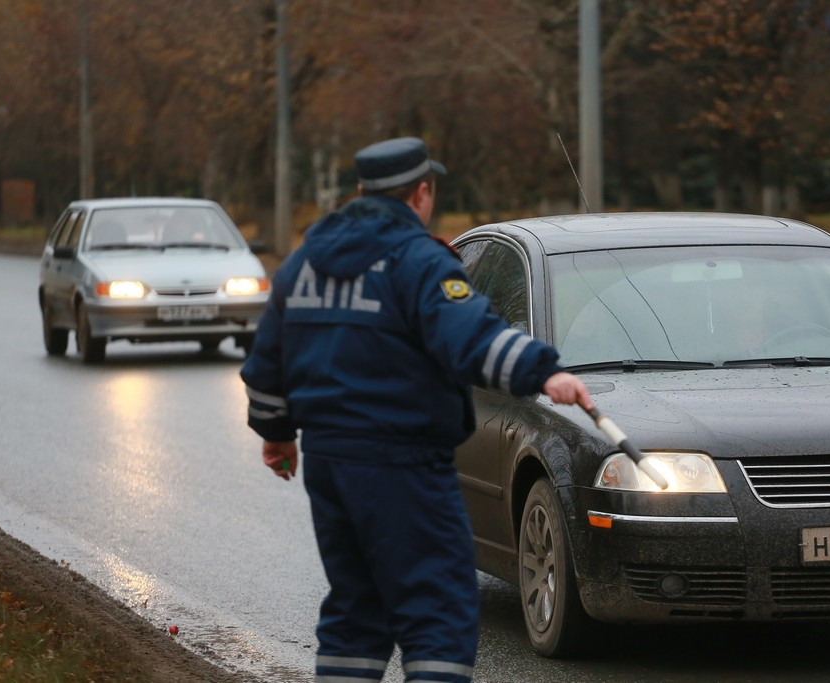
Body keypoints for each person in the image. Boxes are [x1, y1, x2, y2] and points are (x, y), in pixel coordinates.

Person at [240, 136, 593, 683]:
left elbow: (268, 362)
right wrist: (543, 371)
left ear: (361, 192)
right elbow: (468, 335)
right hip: (404, 463)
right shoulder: (420, 262)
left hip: (331, 462)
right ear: (422, 193)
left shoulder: (304, 263)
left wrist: (277, 434)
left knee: (357, 607)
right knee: (439, 609)